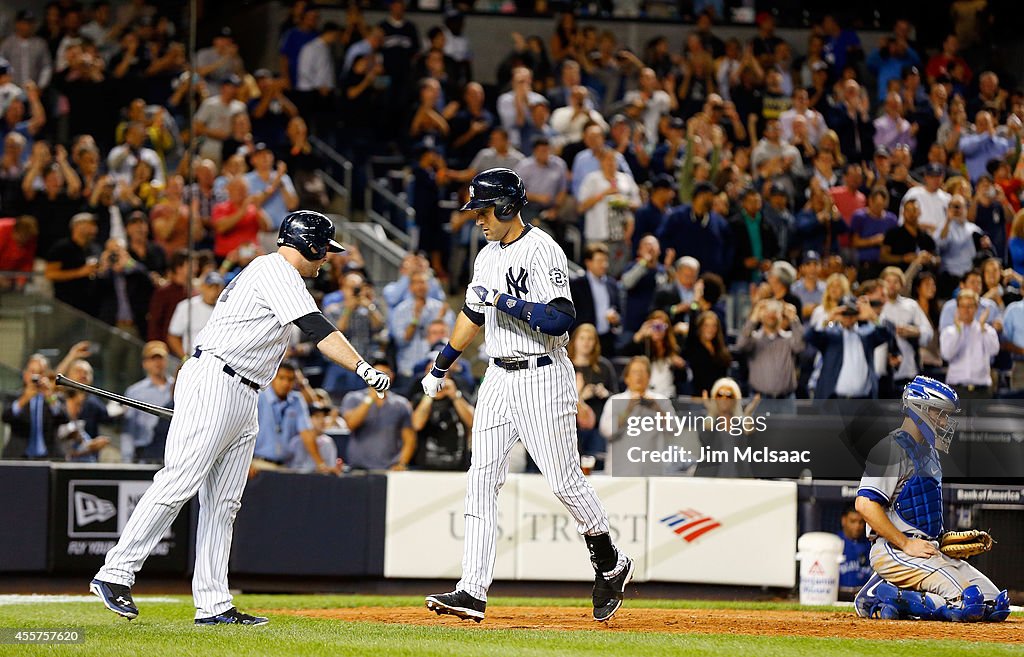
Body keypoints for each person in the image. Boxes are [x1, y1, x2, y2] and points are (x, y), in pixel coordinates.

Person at [90, 211, 391, 625]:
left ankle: (213, 604)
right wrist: (363, 368)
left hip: (244, 390)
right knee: (179, 480)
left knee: (224, 503)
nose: (326, 259)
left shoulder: (275, 273)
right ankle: (115, 573)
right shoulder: (277, 271)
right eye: (324, 250)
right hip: (218, 377)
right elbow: (317, 329)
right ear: (308, 244)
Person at [420, 168, 633, 623]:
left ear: (506, 206)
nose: (477, 218)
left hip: (542, 373)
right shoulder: (486, 256)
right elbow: (470, 315)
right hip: (497, 376)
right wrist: (441, 364)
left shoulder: (543, 249)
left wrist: (503, 301)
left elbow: (561, 319)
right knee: (480, 479)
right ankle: (472, 590)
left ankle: (610, 561)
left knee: (563, 482)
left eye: (482, 209)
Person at [853, 376, 1010, 622]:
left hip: (927, 550)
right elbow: (864, 504)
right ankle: (883, 593)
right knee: (968, 604)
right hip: (895, 549)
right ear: (921, 410)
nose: (945, 422)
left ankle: (897, 593)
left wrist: (939, 539)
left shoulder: (929, 452)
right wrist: (906, 543)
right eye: (941, 413)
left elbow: (920, 508)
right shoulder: (889, 448)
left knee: (994, 605)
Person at [806, 295, 894, 400]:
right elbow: (810, 336)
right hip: (834, 400)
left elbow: (888, 334)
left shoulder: (867, 334)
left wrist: (873, 317)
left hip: (864, 400)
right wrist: (828, 319)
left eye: (852, 313)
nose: (848, 317)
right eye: (845, 313)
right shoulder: (830, 334)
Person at [598, 356, 674, 476]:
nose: (639, 376)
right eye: (635, 372)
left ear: (649, 377)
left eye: (643, 372)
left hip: (652, 469)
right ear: (627, 378)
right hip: (620, 469)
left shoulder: (661, 401)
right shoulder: (615, 400)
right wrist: (627, 410)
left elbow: (674, 429)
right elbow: (607, 431)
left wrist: (658, 409)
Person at [252, 360, 332, 473]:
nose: (285, 383)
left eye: (290, 380)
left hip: (287, 466)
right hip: (258, 464)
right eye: (281, 378)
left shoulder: (297, 400)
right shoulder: (259, 397)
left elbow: (307, 434)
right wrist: (247, 462)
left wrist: (321, 464)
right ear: (272, 378)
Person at [340, 359, 414, 470]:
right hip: (358, 468)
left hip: (389, 469)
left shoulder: (401, 404)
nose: (380, 378)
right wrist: (371, 397)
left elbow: (410, 439)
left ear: (392, 376)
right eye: (376, 374)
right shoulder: (353, 398)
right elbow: (351, 424)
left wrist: (401, 463)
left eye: (385, 374)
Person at [410, 362, 474, 471]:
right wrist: (430, 394)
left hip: (459, 467)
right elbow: (416, 425)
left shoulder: (460, 397)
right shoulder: (419, 399)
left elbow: (473, 423)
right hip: (426, 467)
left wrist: (455, 396)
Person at [735, 299, 804, 400]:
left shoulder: (788, 339)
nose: (771, 315)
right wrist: (753, 318)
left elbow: (800, 346)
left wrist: (794, 319)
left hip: (785, 399)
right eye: (767, 312)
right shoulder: (754, 339)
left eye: (775, 312)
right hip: (759, 398)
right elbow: (741, 345)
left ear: (780, 316)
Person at [1, 354, 67, 459]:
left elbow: (64, 418)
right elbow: (6, 417)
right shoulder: (13, 397)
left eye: (40, 372)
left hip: (49, 456)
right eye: (32, 372)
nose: (36, 377)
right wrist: (25, 398)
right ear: (25, 374)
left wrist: (49, 396)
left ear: (46, 375)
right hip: (18, 456)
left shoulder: (55, 398)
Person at [939, 290, 999, 399]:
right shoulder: (949, 331)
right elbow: (947, 355)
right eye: (963, 306)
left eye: (970, 306)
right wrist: (958, 331)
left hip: (982, 390)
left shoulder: (987, 330)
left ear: (976, 308)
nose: (966, 310)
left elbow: (994, 350)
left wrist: (982, 327)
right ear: (957, 308)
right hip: (955, 389)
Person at [121, 341, 174, 463]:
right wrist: (127, 459)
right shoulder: (135, 392)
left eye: (160, 358)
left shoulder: (179, 387)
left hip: (172, 449)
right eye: (152, 359)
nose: (157, 363)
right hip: (145, 454)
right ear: (145, 363)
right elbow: (129, 428)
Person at [569, 244, 621, 357]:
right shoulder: (576, 285)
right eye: (599, 261)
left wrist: (616, 318)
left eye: (605, 260)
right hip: (583, 341)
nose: (604, 265)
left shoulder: (612, 284)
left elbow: (618, 309)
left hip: (607, 340)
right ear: (588, 262)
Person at [166, 271, 226, 359]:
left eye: (217, 287)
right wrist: (184, 358)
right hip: (192, 359)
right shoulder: (187, 306)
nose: (214, 291)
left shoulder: (223, 308)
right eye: (210, 287)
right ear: (202, 287)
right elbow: (173, 336)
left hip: (215, 362)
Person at [837, 504, 873, 597]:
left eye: (861, 522)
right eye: (852, 521)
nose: (857, 526)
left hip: (864, 595)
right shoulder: (834, 543)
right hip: (839, 595)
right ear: (843, 521)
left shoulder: (871, 544)